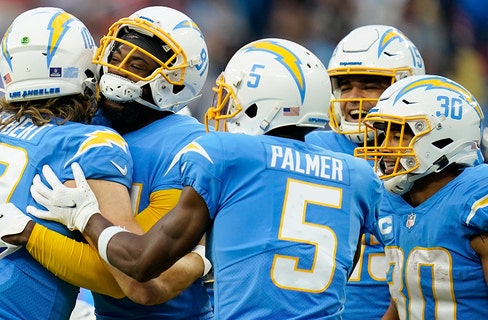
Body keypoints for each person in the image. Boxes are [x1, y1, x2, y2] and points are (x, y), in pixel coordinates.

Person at [28, 38, 383, 319]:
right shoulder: (358, 173)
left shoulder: (226, 154)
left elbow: (140, 264)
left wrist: (85, 217)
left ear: (263, 103)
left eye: (234, 97)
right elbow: (343, 267)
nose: (226, 108)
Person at [0, 5, 214, 319]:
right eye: (116, 57)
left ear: (174, 83)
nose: (117, 72)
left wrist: (41, 233)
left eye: (138, 65)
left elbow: (139, 277)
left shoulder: (184, 148)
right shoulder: (90, 120)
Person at [304, 25, 425, 319]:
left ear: (407, 87)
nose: (352, 97)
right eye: (345, 86)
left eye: (369, 84)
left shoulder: (432, 157)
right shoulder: (309, 147)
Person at [352, 74, 488, 319]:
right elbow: (405, 301)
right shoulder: (390, 204)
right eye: (384, 135)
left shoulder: (475, 198)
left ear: (442, 138)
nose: (384, 147)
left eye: (399, 135)